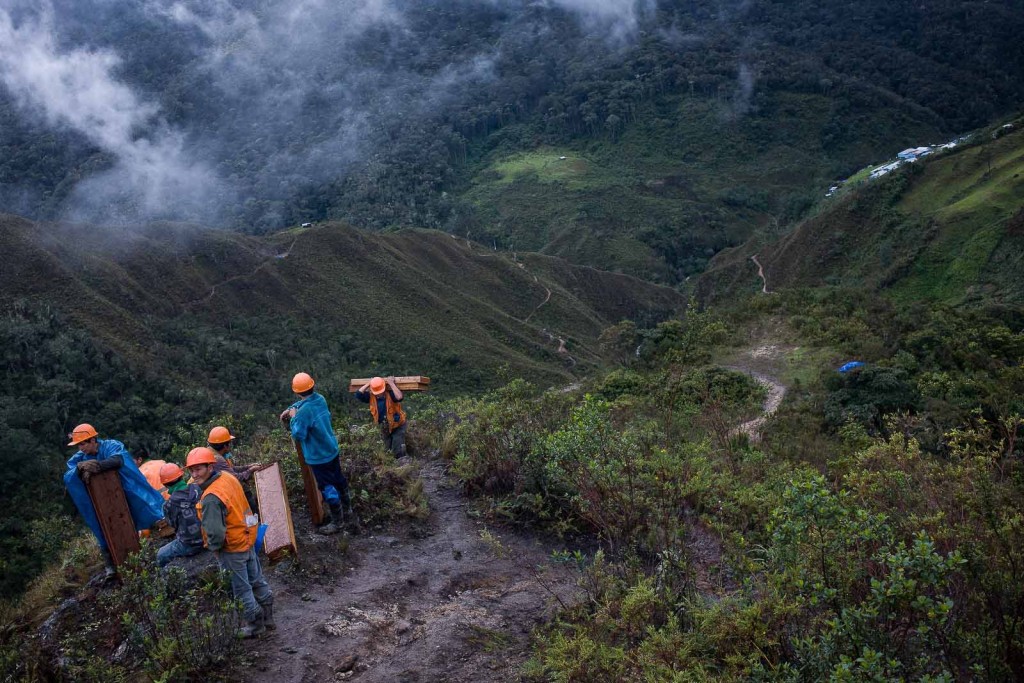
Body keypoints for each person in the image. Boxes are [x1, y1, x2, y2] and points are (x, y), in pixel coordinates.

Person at [186, 446, 273, 638]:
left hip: (232, 547)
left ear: (210, 467)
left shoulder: (210, 497)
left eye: (198, 469)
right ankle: (268, 617)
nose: (194, 474)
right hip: (247, 537)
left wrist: (216, 550)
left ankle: (255, 624)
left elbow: (215, 533)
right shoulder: (228, 478)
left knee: (241, 588)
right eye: (191, 470)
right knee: (257, 579)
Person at [63, 424, 165, 577]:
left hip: (125, 491)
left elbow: (118, 460)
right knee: (101, 525)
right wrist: (79, 469)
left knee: (142, 506)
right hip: (103, 501)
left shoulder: (111, 445)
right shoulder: (80, 458)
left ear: (93, 440)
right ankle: (110, 561)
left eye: (83, 443)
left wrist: (97, 466)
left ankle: (161, 527)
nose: (81, 448)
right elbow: (69, 474)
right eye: (78, 445)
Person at [279, 372, 357, 535]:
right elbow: (305, 403)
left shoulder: (303, 413)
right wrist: (291, 409)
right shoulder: (320, 399)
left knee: (327, 486)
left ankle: (337, 522)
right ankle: (348, 512)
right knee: (339, 479)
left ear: (296, 391)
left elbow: (299, 435)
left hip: (318, 457)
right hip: (331, 449)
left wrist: (293, 417)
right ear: (312, 386)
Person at [156, 463, 205, 567]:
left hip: (190, 544)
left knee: (161, 555)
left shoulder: (168, 505)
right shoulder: (198, 488)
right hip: (208, 537)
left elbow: (173, 525)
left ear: (165, 485)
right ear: (182, 476)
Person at [354, 376, 407, 457]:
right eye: (377, 392)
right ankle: (390, 466)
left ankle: (402, 464)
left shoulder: (391, 393)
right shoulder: (370, 396)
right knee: (386, 451)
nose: (379, 394)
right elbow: (358, 394)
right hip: (384, 426)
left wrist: (391, 383)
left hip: (397, 425)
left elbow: (399, 397)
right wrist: (369, 383)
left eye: (380, 391)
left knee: (397, 450)